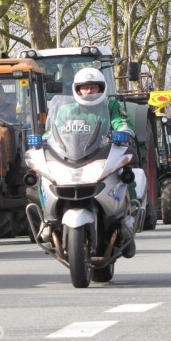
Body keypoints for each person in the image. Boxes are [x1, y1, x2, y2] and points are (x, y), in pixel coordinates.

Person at [43, 68, 137, 258]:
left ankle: (128, 219)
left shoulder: (111, 106)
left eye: (93, 87)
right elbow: (53, 130)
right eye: (84, 88)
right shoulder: (66, 110)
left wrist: (124, 131)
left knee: (127, 174)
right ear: (77, 90)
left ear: (101, 89)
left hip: (100, 154)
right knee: (43, 176)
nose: (89, 92)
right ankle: (47, 221)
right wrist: (45, 139)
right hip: (71, 157)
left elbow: (121, 122)